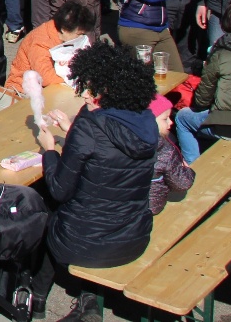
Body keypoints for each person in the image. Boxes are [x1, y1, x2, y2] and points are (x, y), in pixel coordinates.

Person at [33, 39, 160, 322]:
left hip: (83, 244)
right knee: (93, 207)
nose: (85, 95)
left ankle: (36, 295)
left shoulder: (90, 127)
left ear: (109, 91)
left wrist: (50, 150)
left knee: (49, 208)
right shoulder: (148, 122)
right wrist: (73, 128)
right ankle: (88, 298)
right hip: (133, 239)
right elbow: (109, 149)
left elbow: (59, 189)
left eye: (91, 89)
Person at [176, 0, 231, 162]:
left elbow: (202, 99)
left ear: (226, 24)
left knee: (182, 118)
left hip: (226, 127)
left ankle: (193, 167)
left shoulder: (221, 50)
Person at [4, 0, 96, 92]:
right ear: (64, 30)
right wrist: (75, 81)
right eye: (79, 34)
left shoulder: (62, 36)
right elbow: (46, 78)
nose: (82, 38)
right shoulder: (41, 42)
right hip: (23, 91)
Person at [148, 94, 195, 215]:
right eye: (165, 119)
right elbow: (182, 184)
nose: (171, 122)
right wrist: (187, 170)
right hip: (150, 206)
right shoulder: (165, 150)